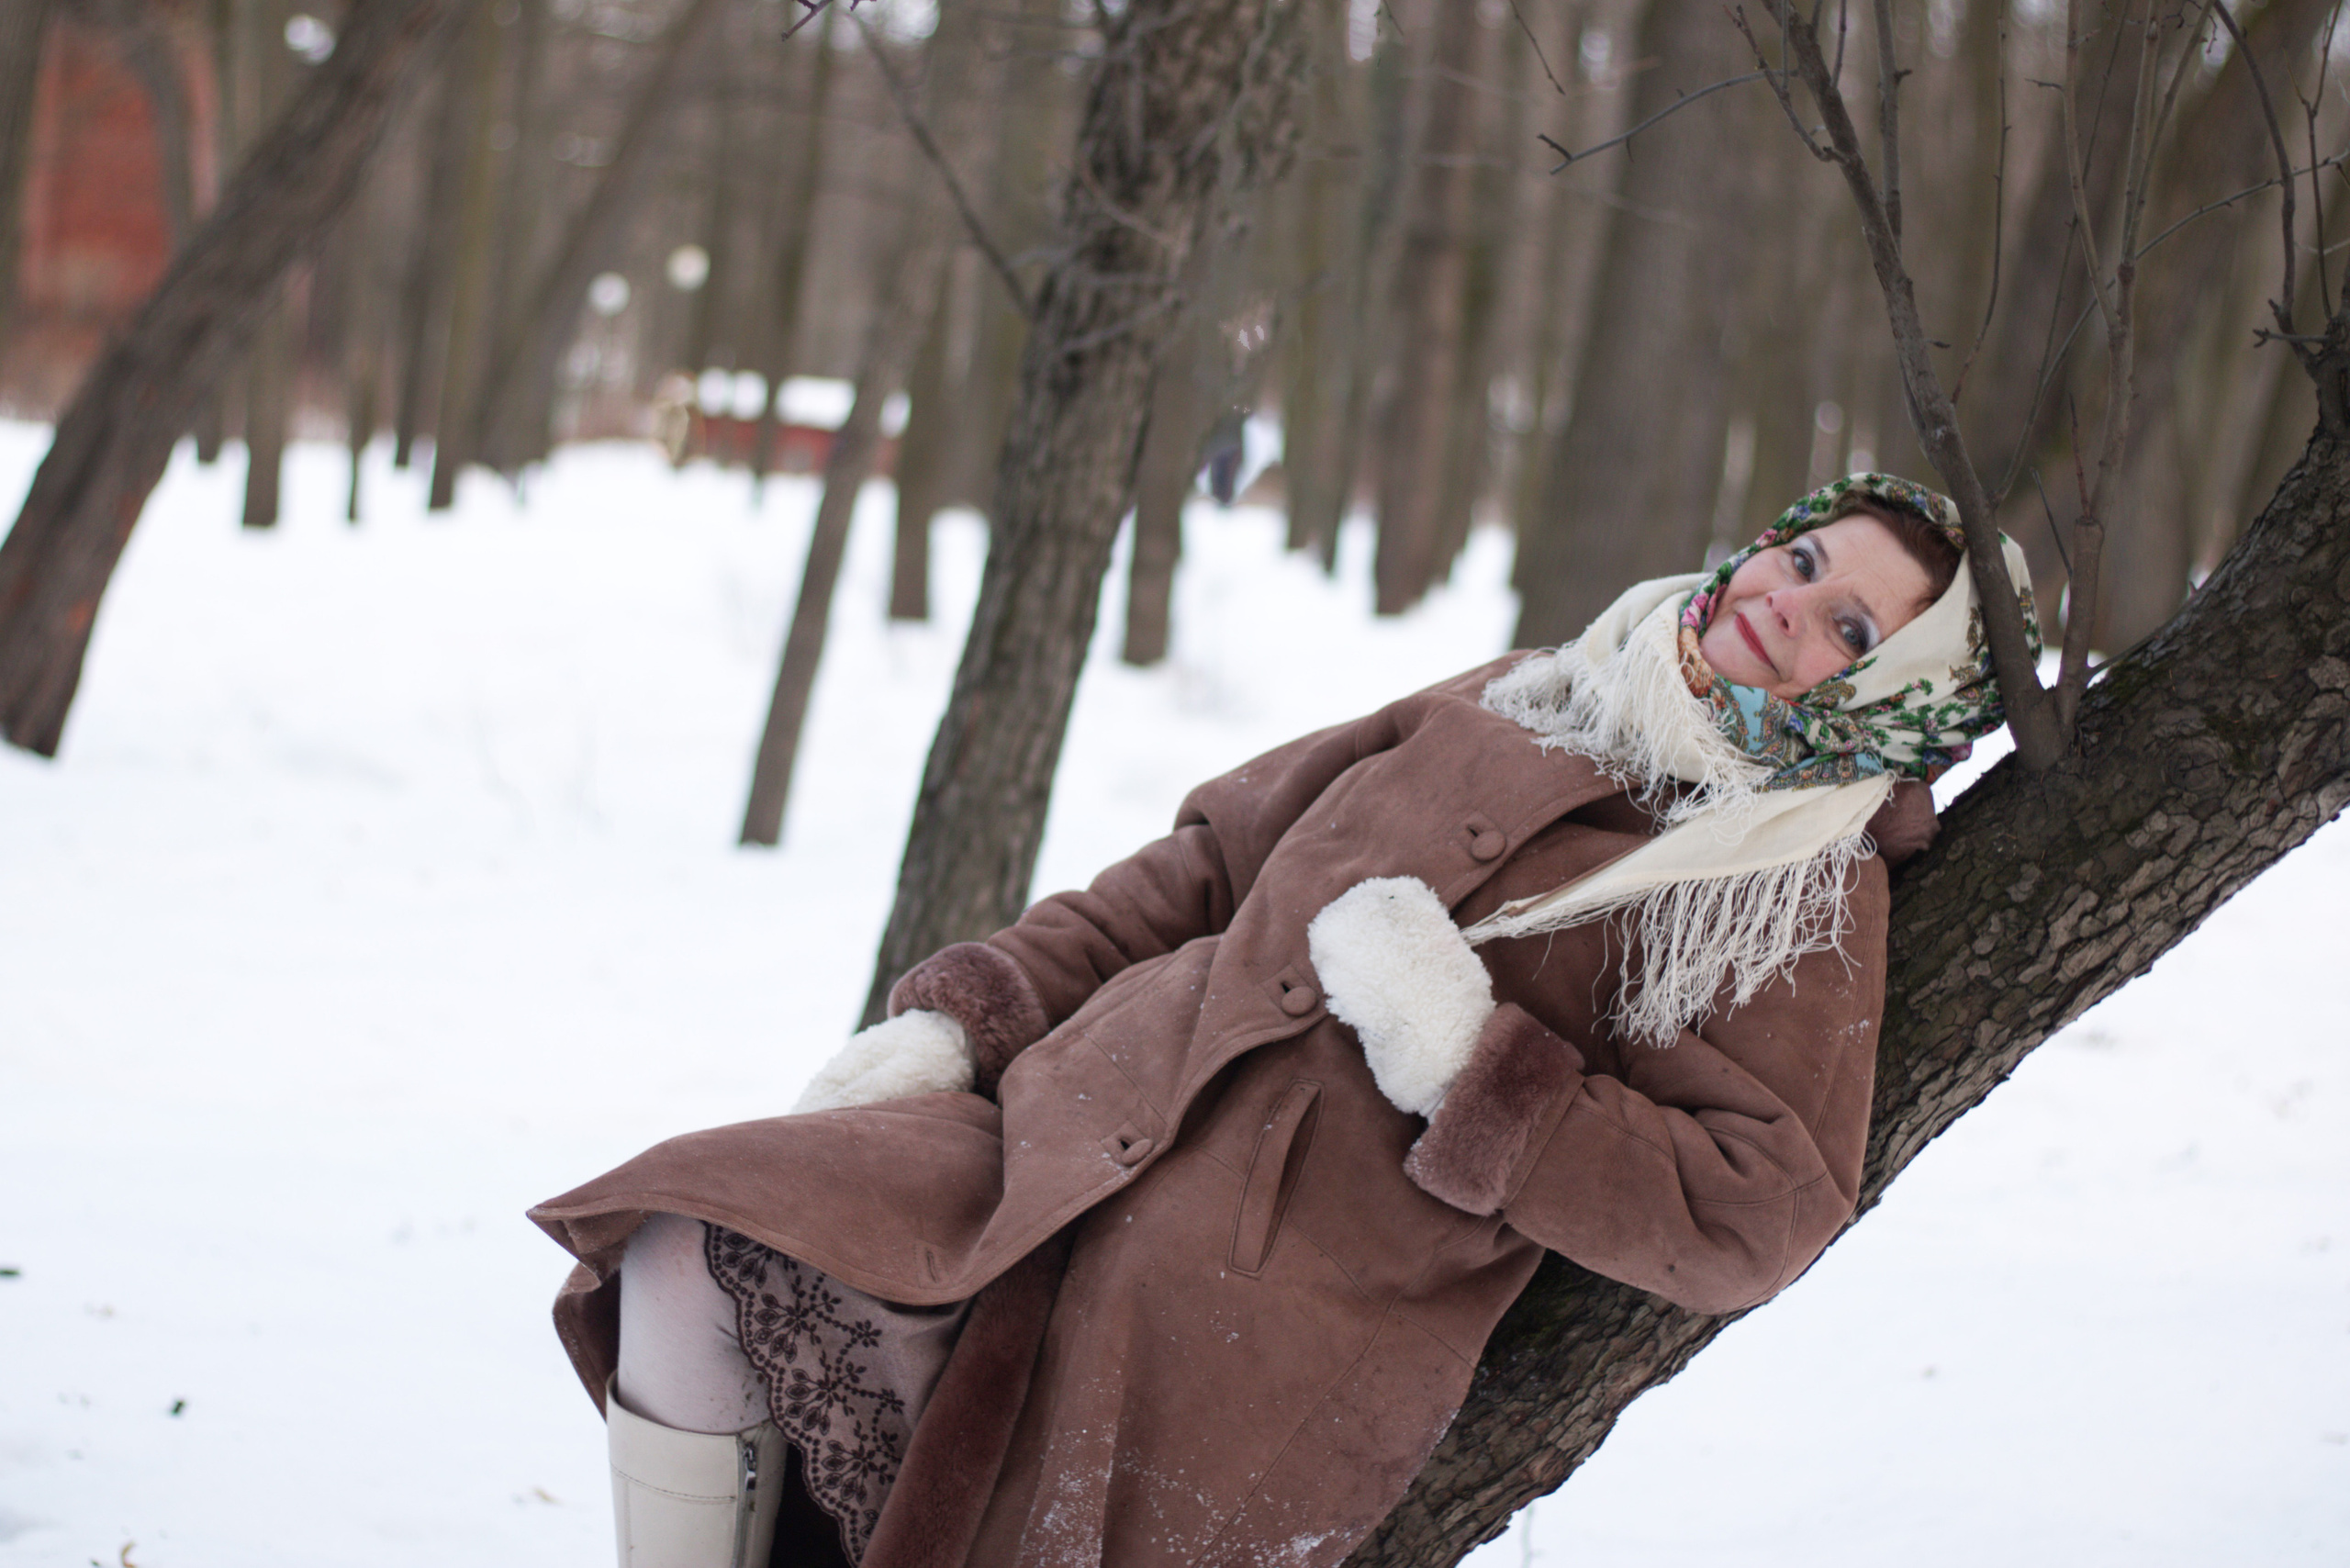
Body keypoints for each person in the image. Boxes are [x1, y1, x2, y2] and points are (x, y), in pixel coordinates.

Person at [530, 473, 2040, 1568]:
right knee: (690, 1240)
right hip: (1054, 1143)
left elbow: (1754, 1213)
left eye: (1850, 623)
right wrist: (965, 1020)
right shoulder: (1526, 693)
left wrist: (1466, 1060)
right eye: (1798, 555)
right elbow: (1203, 869)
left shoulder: (1793, 895)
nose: (1783, 602)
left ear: (1891, 697)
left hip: (1237, 1333)